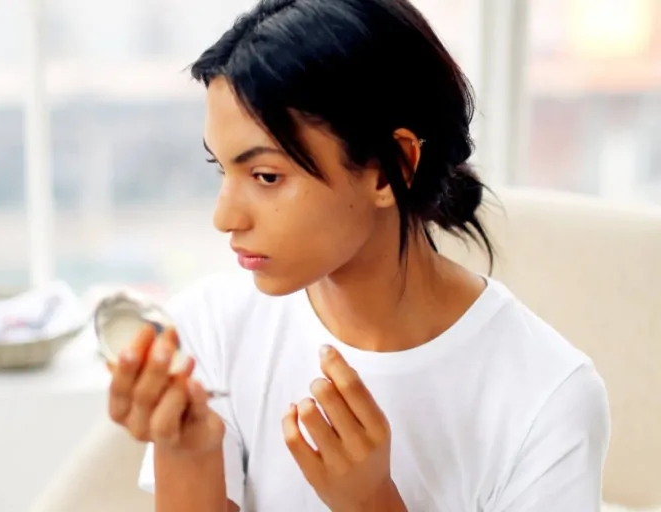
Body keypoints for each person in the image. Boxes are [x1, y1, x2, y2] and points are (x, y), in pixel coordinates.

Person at [106, 0, 611, 510]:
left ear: (388, 168)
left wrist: (372, 502)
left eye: (265, 176)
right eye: (222, 169)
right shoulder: (211, 330)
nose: (225, 218)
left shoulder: (549, 397)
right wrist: (187, 452)